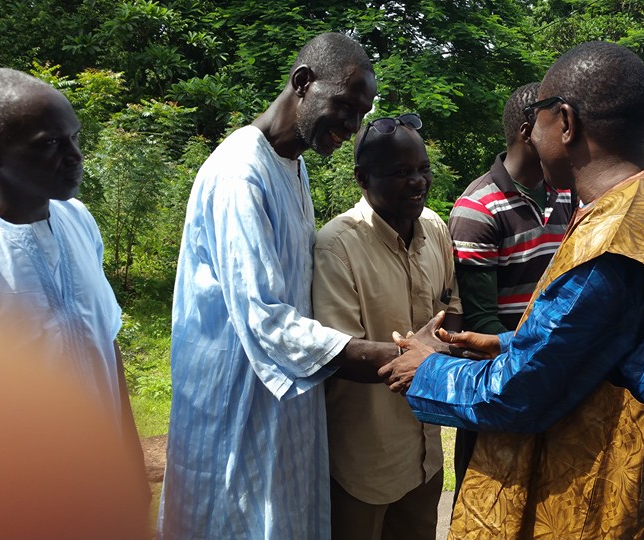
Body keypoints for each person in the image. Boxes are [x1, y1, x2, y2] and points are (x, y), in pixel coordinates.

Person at [380, 41, 644, 538]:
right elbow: (600, 348)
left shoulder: (615, 242)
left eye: (537, 119)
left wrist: (427, 368)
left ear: (566, 123)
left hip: (583, 507)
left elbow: (523, 392)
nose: (532, 134)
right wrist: (508, 342)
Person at [158, 33, 405, 539]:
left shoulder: (291, 167)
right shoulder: (239, 174)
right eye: (345, 105)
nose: (353, 126)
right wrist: (394, 358)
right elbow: (264, 317)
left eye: (362, 113)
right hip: (231, 406)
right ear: (302, 83)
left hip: (283, 402)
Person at [0, 68, 149, 537]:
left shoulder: (78, 220)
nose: (75, 157)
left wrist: (129, 461)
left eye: (74, 138)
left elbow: (105, 348)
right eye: (49, 144)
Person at [313, 113, 463, 540]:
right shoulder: (337, 247)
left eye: (422, 170)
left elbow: (451, 307)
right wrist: (419, 356)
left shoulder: (434, 227)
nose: (417, 182)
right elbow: (336, 353)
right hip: (364, 460)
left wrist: (436, 350)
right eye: (400, 172)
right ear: (362, 177)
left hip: (425, 453)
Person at [446, 81, 573, 496]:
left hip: (552, 372)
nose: (569, 134)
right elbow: (481, 319)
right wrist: (541, 360)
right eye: (559, 124)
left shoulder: (569, 194)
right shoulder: (478, 209)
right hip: (502, 380)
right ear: (527, 131)